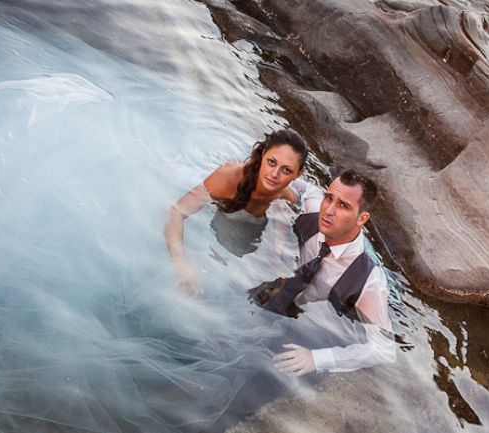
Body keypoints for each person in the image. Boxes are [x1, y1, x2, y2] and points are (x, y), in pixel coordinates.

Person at [262, 169, 398, 376]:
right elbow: (301, 187)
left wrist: (317, 359)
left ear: (362, 218)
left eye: (343, 205)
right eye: (329, 198)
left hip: (357, 304)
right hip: (292, 295)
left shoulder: (368, 282)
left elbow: (384, 350)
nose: (329, 210)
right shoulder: (315, 209)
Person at [164, 129, 312, 297]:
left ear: (298, 174)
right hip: (212, 236)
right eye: (271, 162)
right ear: (263, 155)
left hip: (245, 247)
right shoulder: (227, 179)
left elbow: (276, 251)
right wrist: (179, 262)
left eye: (286, 170)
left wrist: (278, 270)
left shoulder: (286, 201)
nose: (274, 174)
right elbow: (176, 212)